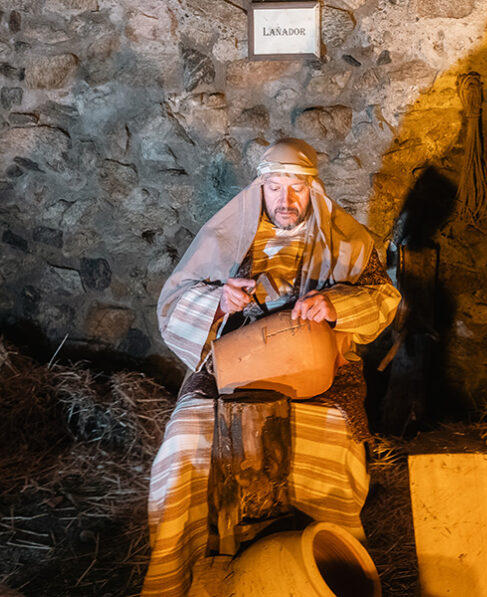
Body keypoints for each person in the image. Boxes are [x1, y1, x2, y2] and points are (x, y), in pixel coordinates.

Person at [144, 138, 401, 596]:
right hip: (233, 361)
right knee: (184, 441)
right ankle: (178, 575)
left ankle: (320, 567)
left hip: (321, 365)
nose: (286, 200)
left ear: (313, 189)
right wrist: (218, 300)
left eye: (297, 188)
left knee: (333, 447)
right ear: (261, 188)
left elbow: (383, 297)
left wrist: (335, 304)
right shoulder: (226, 237)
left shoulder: (346, 240)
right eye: (276, 187)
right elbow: (174, 300)